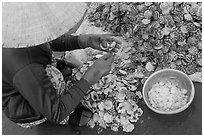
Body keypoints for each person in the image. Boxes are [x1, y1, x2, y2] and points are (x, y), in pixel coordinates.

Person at [2, 2, 121, 128]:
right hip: (24, 109)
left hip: (26, 78)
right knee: (54, 77)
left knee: (50, 72)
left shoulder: (17, 32)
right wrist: (94, 73)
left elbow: (49, 41)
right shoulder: (25, 67)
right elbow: (56, 113)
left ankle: (52, 83)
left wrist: (87, 40)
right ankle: (69, 117)